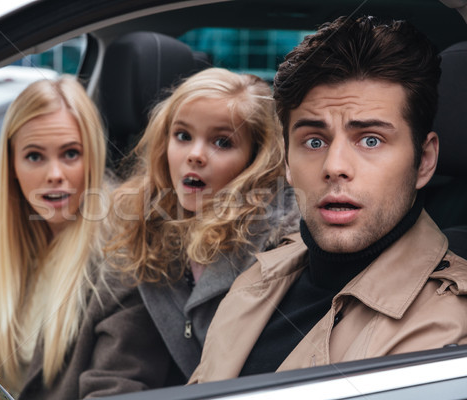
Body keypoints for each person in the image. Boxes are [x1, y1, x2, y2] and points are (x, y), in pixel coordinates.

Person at [189, 15, 467, 384]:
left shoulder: (451, 329)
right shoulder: (259, 274)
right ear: (288, 161)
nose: (335, 167)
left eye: (370, 140)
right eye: (314, 141)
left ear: (424, 160)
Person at [0, 76, 169, 399]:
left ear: (92, 157)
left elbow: (114, 387)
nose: (55, 174)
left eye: (71, 154)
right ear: (13, 166)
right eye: (34, 156)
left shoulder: (123, 252)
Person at [106, 67, 300, 383]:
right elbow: (130, 357)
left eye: (222, 142)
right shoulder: (147, 230)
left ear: (255, 158)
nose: (195, 155)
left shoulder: (279, 246)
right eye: (183, 136)